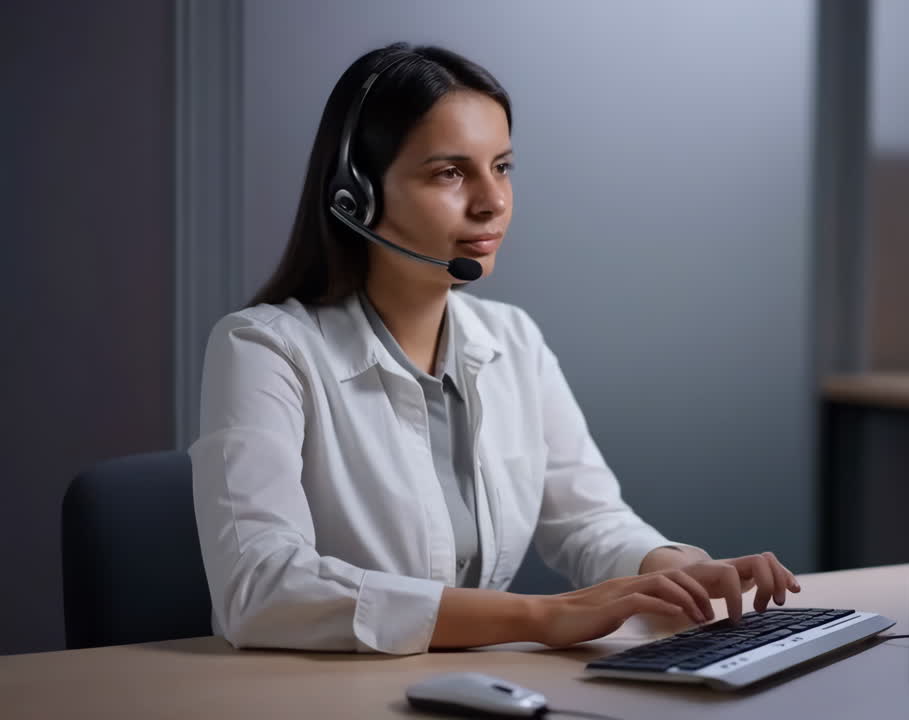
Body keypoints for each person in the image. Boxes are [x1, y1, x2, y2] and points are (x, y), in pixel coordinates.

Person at [190, 43, 801, 655]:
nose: (492, 201)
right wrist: (536, 617)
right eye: (450, 173)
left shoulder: (512, 340)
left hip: (462, 690)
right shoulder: (263, 349)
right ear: (357, 197)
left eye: (502, 166)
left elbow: (588, 521)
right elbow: (260, 586)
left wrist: (667, 567)